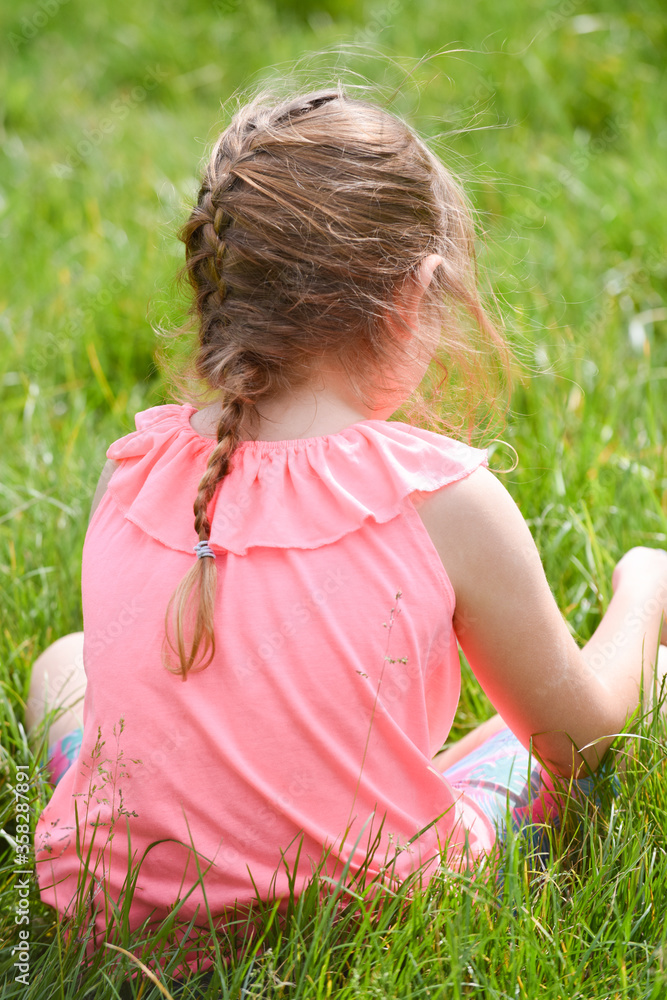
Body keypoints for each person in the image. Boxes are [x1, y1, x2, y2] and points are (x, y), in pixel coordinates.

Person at [30, 85, 667, 970]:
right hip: (366, 908)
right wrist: (645, 586)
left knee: (61, 663)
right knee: (643, 683)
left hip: (119, 913)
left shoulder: (139, 465)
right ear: (413, 296)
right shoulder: (437, 497)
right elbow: (582, 737)